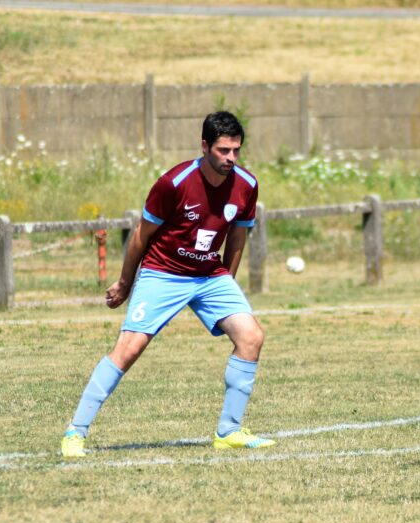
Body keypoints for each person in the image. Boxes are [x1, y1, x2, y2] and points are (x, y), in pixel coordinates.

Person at [61, 111, 275, 457]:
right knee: (129, 349)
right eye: (223, 150)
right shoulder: (173, 183)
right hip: (163, 272)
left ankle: (229, 431)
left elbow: (237, 238)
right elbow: (139, 238)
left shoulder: (246, 185)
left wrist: (227, 285)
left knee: (252, 337)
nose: (230, 158)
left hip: (210, 275)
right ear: (204, 146)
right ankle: (76, 431)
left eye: (236, 150)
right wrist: (125, 283)